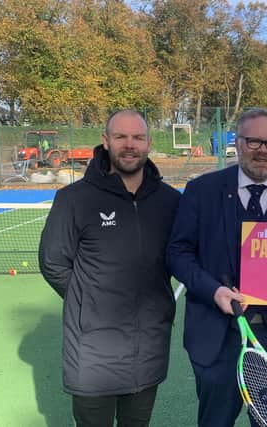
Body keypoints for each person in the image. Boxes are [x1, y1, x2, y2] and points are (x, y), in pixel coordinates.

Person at [166, 108, 267, 427]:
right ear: (237, 142)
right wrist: (214, 290)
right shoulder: (201, 191)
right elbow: (178, 253)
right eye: (254, 141)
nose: (263, 150)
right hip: (215, 341)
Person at [39, 110, 181, 427]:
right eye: (120, 137)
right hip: (93, 352)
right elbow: (53, 262)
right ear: (105, 141)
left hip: (148, 349)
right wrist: (89, 300)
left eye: (138, 137)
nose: (129, 145)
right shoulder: (73, 200)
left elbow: (183, 256)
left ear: (148, 143)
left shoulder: (170, 202)